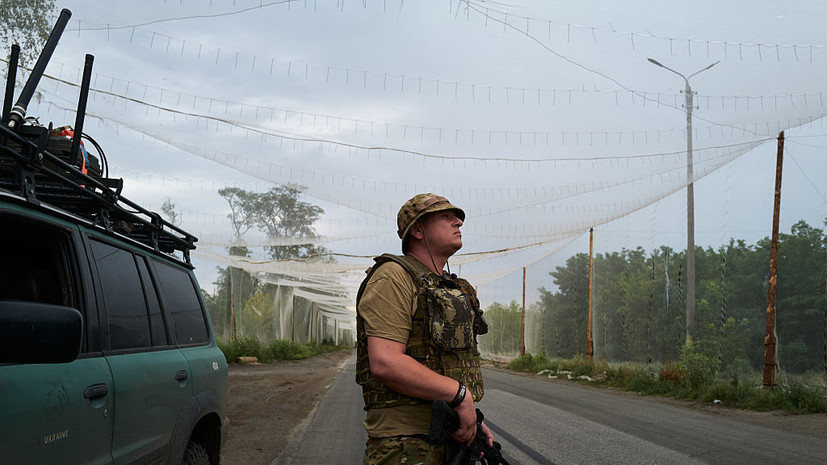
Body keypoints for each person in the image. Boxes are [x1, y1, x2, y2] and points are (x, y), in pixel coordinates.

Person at [356, 193, 494, 464]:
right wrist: (461, 397)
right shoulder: (393, 277)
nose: (458, 222)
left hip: (446, 432)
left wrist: (469, 420)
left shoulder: (445, 285)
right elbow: (385, 361)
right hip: (405, 443)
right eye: (446, 216)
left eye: (457, 218)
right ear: (417, 230)